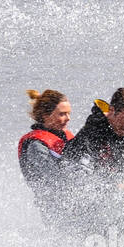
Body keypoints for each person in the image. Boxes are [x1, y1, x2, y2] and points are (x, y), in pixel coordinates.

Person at [17, 89, 77, 217]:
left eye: (69, 113)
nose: (68, 118)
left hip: (74, 202)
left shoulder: (66, 137)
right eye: (62, 114)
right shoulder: (36, 146)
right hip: (54, 210)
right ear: (45, 115)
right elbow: (54, 180)